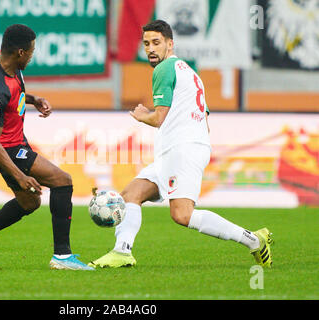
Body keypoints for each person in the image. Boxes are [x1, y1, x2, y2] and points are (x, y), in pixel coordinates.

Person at [89, 20, 273, 269]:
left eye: (156, 43)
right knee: (131, 194)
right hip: (180, 150)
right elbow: (204, 119)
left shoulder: (164, 69)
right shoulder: (190, 72)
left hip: (183, 150)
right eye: (146, 44)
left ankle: (254, 240)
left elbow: (158, 118)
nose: (151, 49)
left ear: (170, 43)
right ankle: (122, 252)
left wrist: (142, 114)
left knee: (182, 214)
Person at [0, 24, 93, 271]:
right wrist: (20, 176)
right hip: (4, 147)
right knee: (63, 181)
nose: (32, 55)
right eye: (30, 51)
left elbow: (13, 94)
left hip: (13, 139)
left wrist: (32, 99)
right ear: (20, 52)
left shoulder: (0, 58)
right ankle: (62, 257)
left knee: (30, 203)